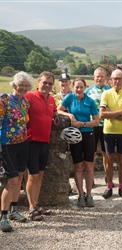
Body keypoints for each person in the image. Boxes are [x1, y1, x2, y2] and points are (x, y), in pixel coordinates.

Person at [57, 78, 99, 207]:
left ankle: (89, 195)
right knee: (78, 166)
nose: (79, 89)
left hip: (88, 135)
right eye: (77, 87)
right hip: (74, 136)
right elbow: (58, 110)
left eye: (81, 87)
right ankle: (81, 195)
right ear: (73, 87)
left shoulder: (90, 101)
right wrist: (69, 115)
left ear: (85, 87)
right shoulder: (69, 98)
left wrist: (83, 123)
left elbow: (96, 121)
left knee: (89, 167)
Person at [24, 71, 60, 221]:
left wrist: (56, 115)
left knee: (40, 175)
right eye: (44, 82)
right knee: (32, 176)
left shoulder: (51, 99)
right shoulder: (29, 96)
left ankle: (36, 204)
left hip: (44, 142)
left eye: (50, 83)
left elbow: (54, 111)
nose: (47, 85)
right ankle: (31, 208)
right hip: (31, 141)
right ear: (38, 82)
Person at [0, 72, 32, 232]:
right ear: (15, 85)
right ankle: (3, 216)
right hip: (7, 144)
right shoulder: (4, 100)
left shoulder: (26, 102)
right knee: (11, 180)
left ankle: (14, 210)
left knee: (19, 177)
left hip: (23, 143)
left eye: (26, 85)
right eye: (21, 85)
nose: (24, 88)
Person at [99, 69, 122, 199]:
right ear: (111, 80)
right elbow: (102, 114)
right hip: (108, 131)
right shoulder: (106, 94)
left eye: (120, 79)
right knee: (109, 160)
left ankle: (121, 187)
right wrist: (120, 112)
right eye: (115, 78)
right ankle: (109, 186)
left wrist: (111, 114)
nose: (117, 81)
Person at [85, 68, 110, 184]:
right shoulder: (88, 91)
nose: (99, 78)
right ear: (93, 77)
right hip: (92, 126)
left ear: (105, 78)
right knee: (92, 153)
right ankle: (91, 178)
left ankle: (108, 176)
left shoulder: (110, 91)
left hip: (107, 126)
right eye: (97, 76)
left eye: (102, 76)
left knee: (107, 153)